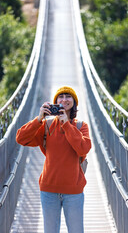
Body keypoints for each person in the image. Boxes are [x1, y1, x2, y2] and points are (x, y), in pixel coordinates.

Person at [16, 86, 92, 233]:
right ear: (55, 103)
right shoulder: (47, 125)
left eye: (68, 96)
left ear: (74, 102)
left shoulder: (81, 126)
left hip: (74, 191)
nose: (64, 100)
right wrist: (38, 119)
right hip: (49, 190)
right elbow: (21, 138)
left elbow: (83, 148)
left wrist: (66, 125)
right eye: (60, 97)